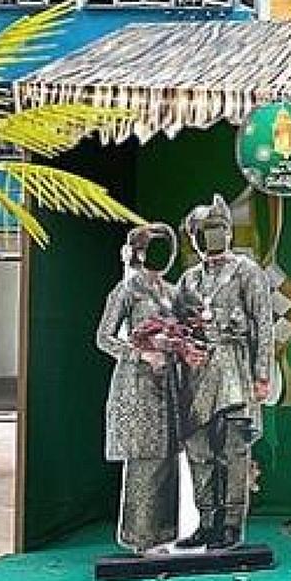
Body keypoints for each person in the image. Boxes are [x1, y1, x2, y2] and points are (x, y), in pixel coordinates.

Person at [173, 194, 275, 551]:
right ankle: (206, 521)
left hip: (234, 364)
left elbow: (264, 322)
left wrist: (262, 374)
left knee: (234, 446)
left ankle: (232, 523)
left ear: (228, 232)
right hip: (197, 371)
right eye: (202, 231)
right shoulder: (187, 280)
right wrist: (185, 346)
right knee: (199, 447)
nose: (209, 238)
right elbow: (177, 327)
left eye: (215, 229)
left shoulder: (248, 271)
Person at [95, 223, 181, 555]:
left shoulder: (173, 293)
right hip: (137, 383)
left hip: (169, 383)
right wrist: (141, 353)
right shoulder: (126, 291)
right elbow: (104, 337)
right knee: (144, 459)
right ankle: (140, 538)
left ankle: (165, 532)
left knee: (166, 458)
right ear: (140, 252)